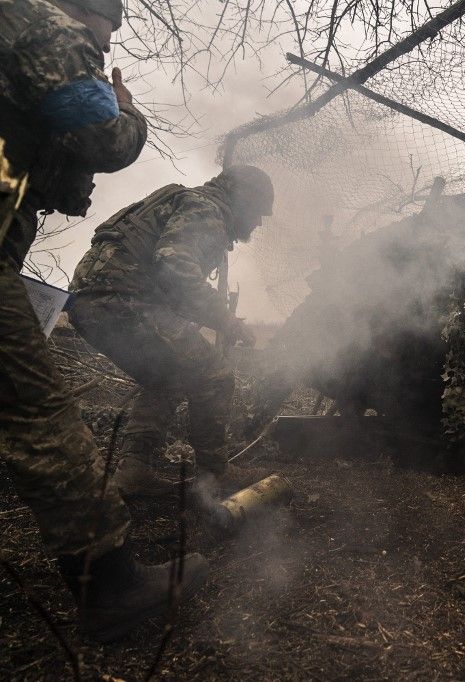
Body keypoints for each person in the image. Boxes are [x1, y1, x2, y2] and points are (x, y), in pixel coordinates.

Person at [0, 0, 207, 642]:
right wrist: (130, 112)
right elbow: (99, 138)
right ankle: (109, 585)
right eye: (109, 24)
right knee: (38, 415)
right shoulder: (46, 23)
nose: (108, 38)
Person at [69, 166, 273, 498]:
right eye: (259, 211)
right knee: (215, 375)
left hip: (87, 304)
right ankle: (215, 476)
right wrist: (225, 320)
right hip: (122, 301)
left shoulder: (182, 198)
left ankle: (133, 471)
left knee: (165, 377)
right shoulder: (206, 209)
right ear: (244, 199)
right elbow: (175, 267)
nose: (259, 222)